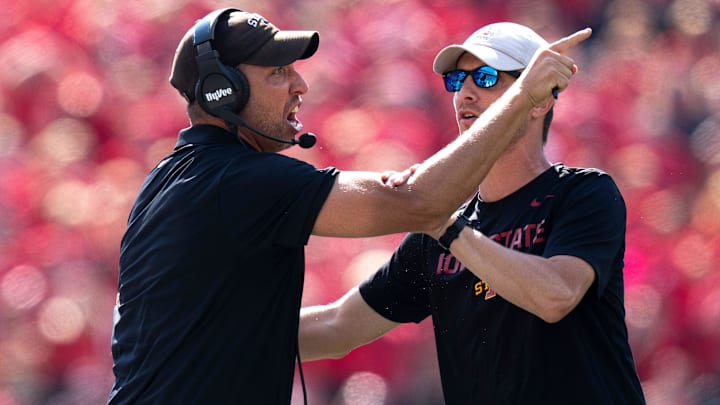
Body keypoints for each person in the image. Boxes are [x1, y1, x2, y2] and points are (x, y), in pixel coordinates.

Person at [109, 6, 590, 404]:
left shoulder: (169, 178)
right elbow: (425, 202)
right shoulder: (243, 180)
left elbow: (337, 327)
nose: (300, 85)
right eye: (279, 72)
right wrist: (524, 94)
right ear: (223, 90)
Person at [299, 22, 646, 404]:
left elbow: (556, 295)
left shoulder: (583, 192)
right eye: (456, 80)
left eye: (485, 77)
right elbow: (337, 326)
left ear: (541, 100)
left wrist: (447, 228)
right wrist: (227, 332)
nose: (465, 93)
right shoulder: (435, 230)